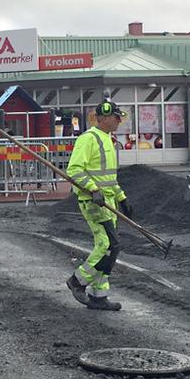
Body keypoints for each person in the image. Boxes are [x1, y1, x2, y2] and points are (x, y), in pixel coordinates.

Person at [64, 99, 132, 311]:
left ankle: (98, 296)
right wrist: (93, 190)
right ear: (102, 118)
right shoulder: (88, 139)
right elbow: (74, 170)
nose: (119, 120)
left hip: (107, 201)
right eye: (115, 117)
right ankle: (77, 281)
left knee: (108, 247)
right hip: (93, 202)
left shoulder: (108, 140)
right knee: (109, 246)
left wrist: (122, 198)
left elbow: (109, 178)